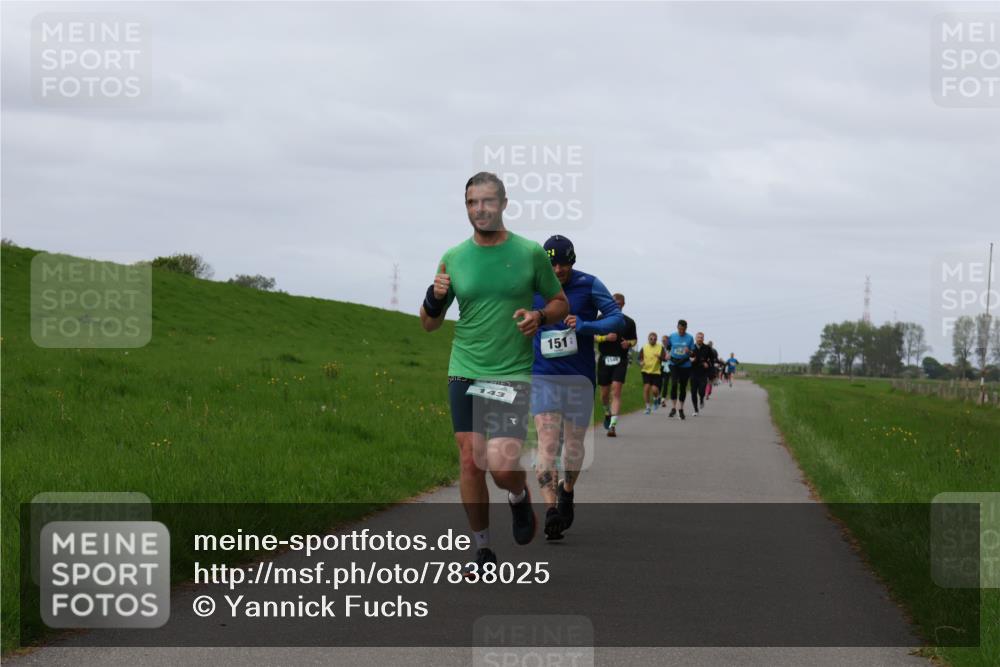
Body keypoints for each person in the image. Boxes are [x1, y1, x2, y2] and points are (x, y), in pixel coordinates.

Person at [420, 172, 569, 573]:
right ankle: (481, 550)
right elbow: (429, 324)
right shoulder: (453, 257)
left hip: (510, 373)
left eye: (487, 201)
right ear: (466, 207)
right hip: (465, 367)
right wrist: (432, 298)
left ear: (503, 204)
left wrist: (539, 315)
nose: (479, 210)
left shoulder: (530, 253)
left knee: (501, 465)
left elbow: (559, 302)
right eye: (472, 203)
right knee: (470, 460)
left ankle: (519, 496)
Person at [530, 235, 623, 540]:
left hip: (579, 378)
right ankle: (551, 511)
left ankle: (567, 490)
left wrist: (586, 326)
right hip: (542, 376)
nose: (558, 269)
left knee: (572, 447)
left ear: (572, 261)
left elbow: (616, 319)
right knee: (546, 442)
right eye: (552, 263)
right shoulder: (530, 285)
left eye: (564, 263)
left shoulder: (589, 284)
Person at [596, 294, 637, 437]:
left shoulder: (629, 322)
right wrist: (605, 338)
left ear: (624, 304)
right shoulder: (601, 319)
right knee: (604, 394)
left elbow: (634, 340)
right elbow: (592, 336)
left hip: (621, 359)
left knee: (616, 391)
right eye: (615, 303)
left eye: (619, 303)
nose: (617, 305)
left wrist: (628, 344)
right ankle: (607, 413)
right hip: (604, 359)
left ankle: (613, 425)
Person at [665, 319, 696, 419]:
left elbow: (693, 353)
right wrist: (667, 354)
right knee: (674, 384)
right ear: (677, 327)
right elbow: (668, 347)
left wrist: (689, 351)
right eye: (679, 329)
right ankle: (674, 407)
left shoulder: (690, 338)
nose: (681, 331)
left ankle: (681, 408)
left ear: (686, 328)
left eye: (683, 329)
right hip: (674, 363)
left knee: (683, 387)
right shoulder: (672, 336)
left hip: (685, 364)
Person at [638, 332, 666, 414]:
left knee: (654, 389)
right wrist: (640, 362)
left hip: (656, 371)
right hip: (645, 371)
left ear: (656, 340)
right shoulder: (644, 347)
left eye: (654, 339)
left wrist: (660, 357)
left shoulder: (660, 347)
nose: (652, 340)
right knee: (646, 388)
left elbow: (664, 358)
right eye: (651, 339)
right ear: (648, 339)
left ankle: (657, 398)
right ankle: (647, 407)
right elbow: (639, 358)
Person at [690, 332, 718, 414]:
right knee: (693, 392)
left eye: (701, 337)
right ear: (695, 338)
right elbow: (687, 357)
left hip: (703, 373)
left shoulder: (707, 348)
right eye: (698, 337)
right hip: (693, 372)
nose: (700, 339)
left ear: (703, 339)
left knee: (701, 391)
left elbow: (712, 359)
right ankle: (695, 409)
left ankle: (701, 399)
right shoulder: (692, 347)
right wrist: (690, 360)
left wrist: (708, 364)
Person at [659, 334, 672, 408]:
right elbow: (659, 357)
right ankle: (659, 397)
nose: (664, 342)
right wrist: (663, 358)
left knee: (666, 383)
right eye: (663, 340)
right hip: (661, 366)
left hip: (668, 367)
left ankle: (663, 399)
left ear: (668, 341)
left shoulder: (671, 348)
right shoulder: (660, 348)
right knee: (659, 383)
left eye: (665, 340)